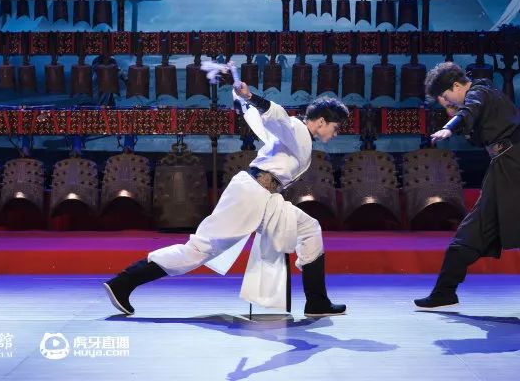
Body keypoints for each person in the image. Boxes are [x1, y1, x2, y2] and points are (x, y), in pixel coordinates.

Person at [104, 84, 350, 317]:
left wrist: (243, 102)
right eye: (336, 127)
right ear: (321, 121)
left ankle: (317, 301)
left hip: (266, 199)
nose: (336, 133)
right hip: (251, 195)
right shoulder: (296, 129)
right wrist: (250, 97)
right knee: (199, 250)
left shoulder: (296, 135)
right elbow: (278, 117)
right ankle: (123, 283)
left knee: (310, 228)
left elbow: (265, 123)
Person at [414, 62, 520, 311]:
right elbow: (473, 121)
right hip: (511, 165)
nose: (448, 103)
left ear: (456, 85)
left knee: (478, 230)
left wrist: (448, 127)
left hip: (518, 167)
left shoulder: (479, 92)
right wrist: (454, 115)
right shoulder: (484, 94)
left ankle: (444, 293)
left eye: (447, 97)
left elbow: (470, 108)